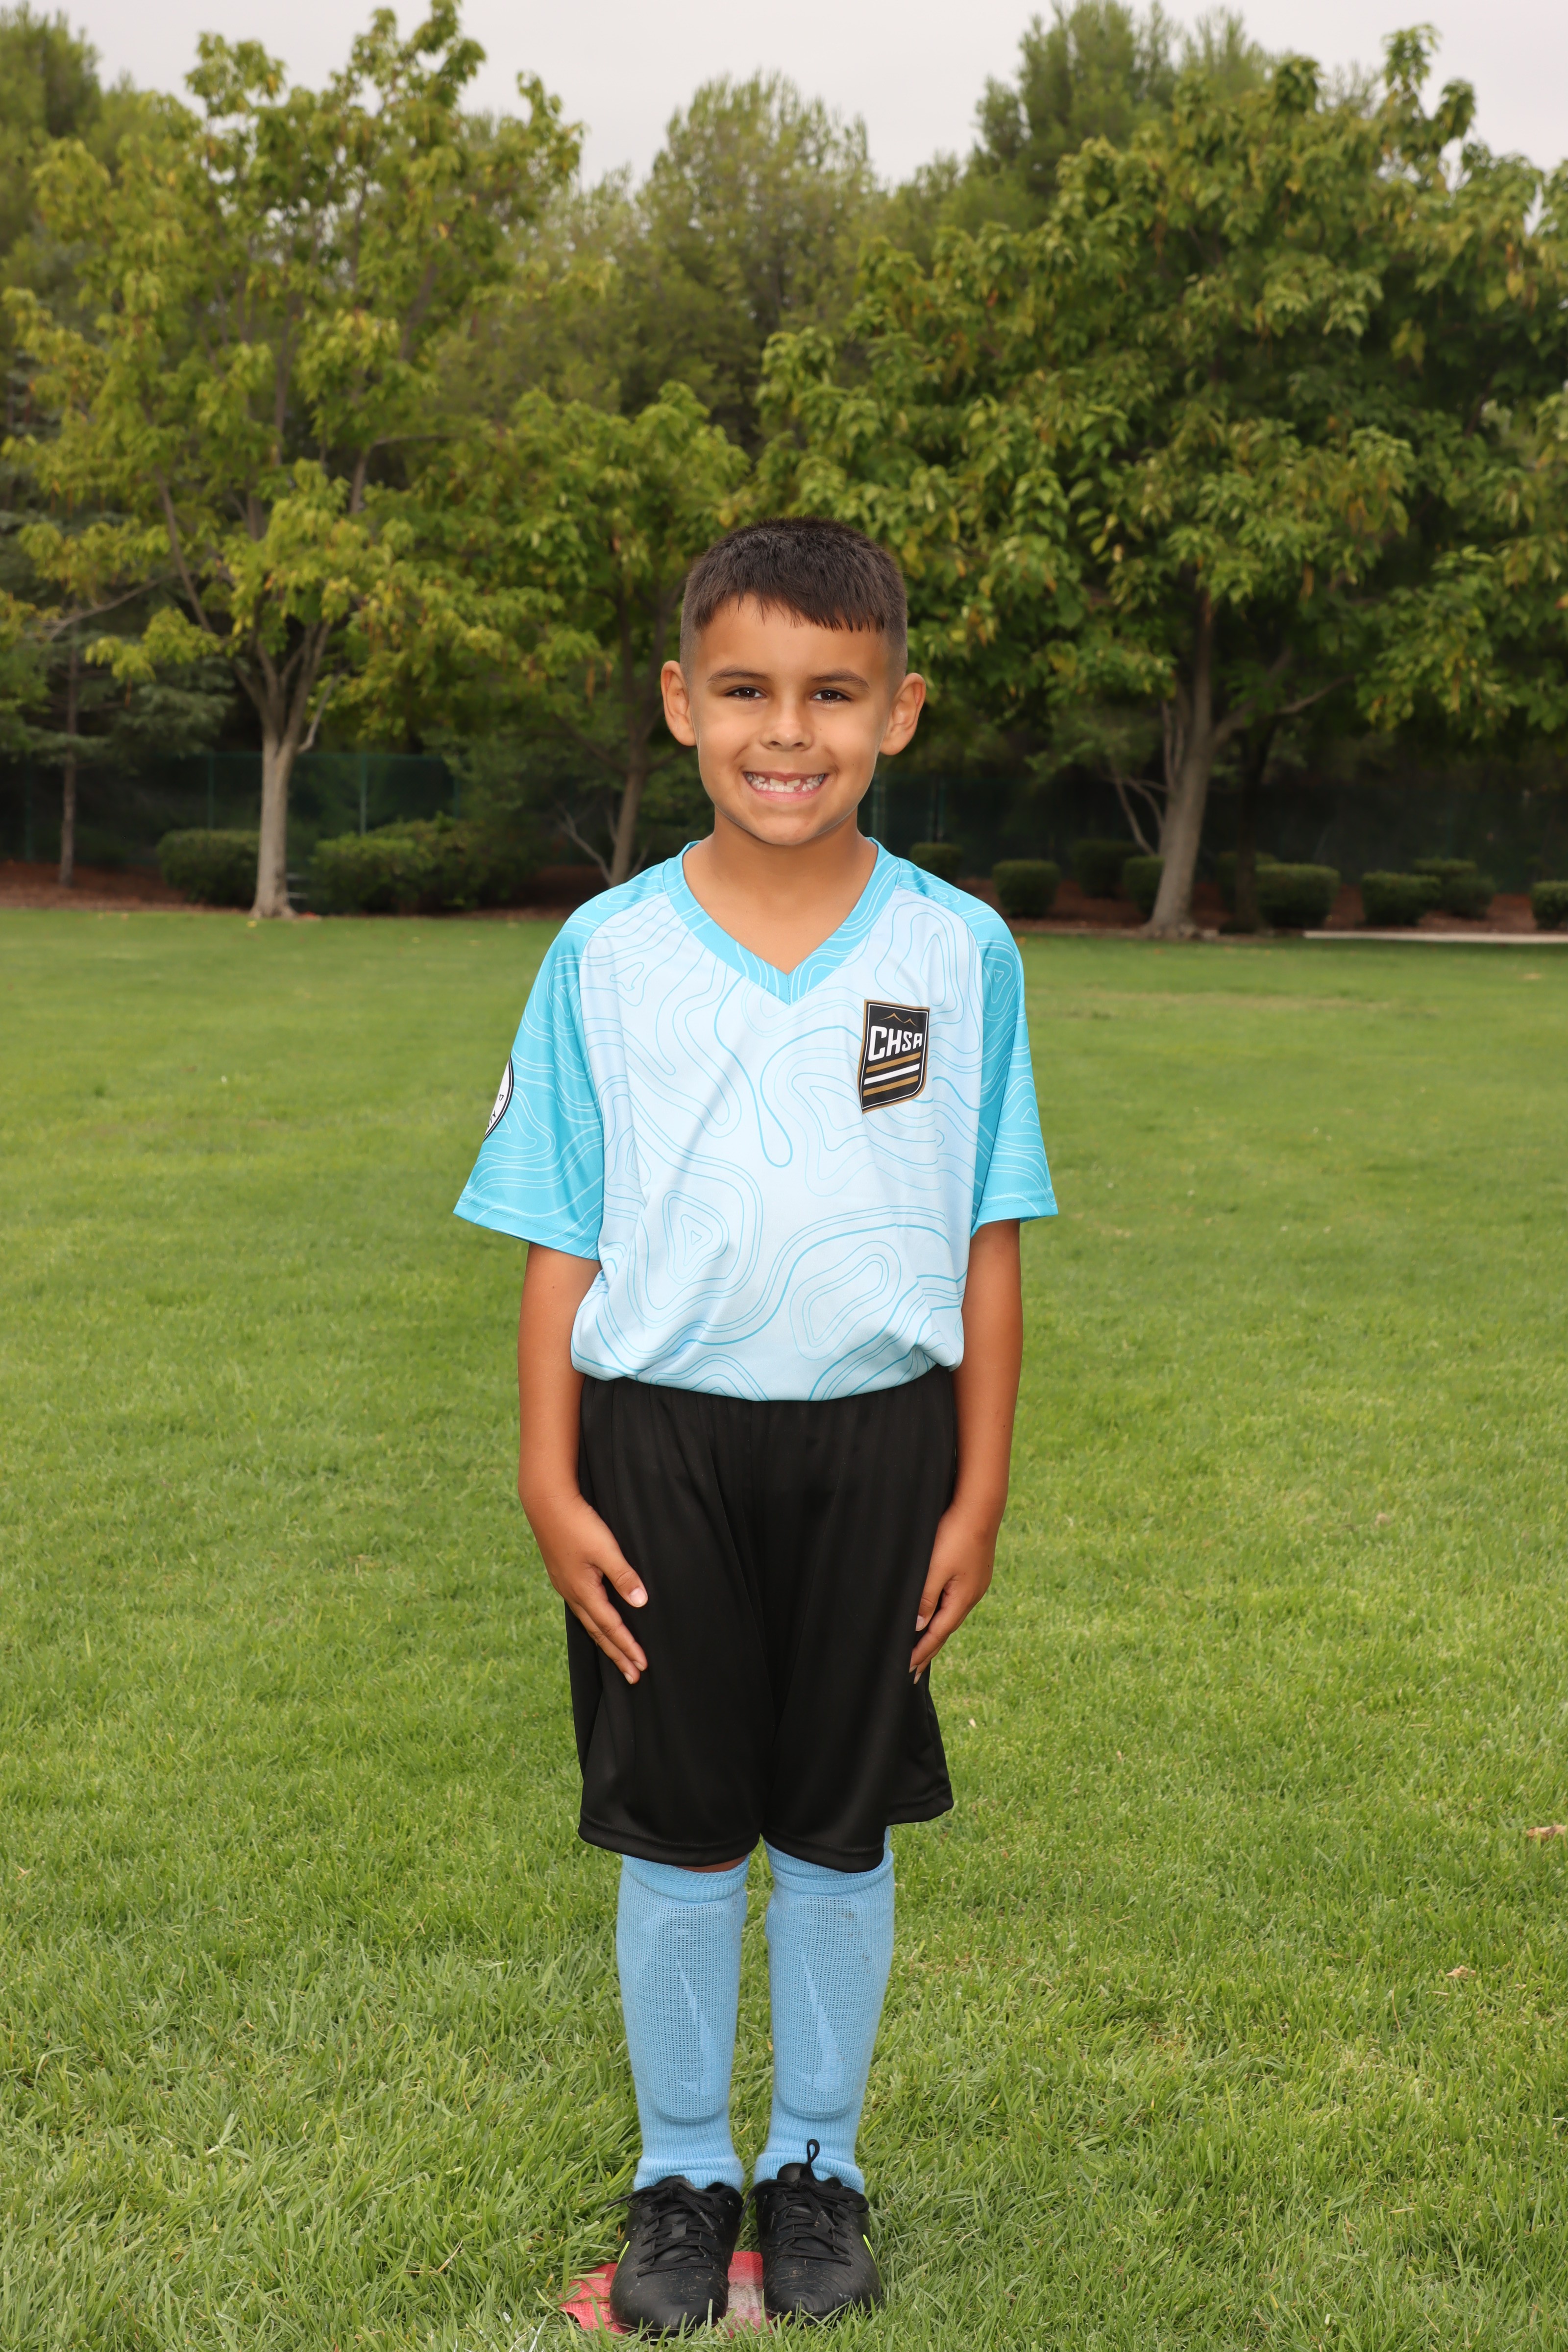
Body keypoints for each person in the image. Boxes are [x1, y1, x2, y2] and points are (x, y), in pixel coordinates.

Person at [454, 517, 1054, 2332]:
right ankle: (679, 2177)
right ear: (680, 703)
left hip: (882, 1445)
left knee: (840, 1826)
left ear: (899, 712)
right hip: (658, 1448)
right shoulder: (607, 952)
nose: (788, 733)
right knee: (685, 1828)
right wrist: (549, 1474)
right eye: (746, 692)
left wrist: (980, 1491)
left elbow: (988, 1237)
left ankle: (816, 2172)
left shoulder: (957, 949)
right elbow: (561, 1231)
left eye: (833, 696)